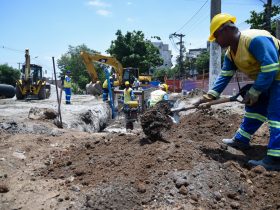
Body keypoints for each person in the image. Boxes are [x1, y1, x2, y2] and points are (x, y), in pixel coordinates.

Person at [196, 13, 280, 170]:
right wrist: (210, 96)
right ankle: (242, 140)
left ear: (226, 29)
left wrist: (256, 90)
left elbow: (271, 67)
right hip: (267, 80)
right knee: (255, 108)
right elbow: (225, 75)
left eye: (216, 35)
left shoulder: (254, 39)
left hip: (277, 77)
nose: (215, 40)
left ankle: (276, 158)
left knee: (276, 116)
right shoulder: (231, 54)